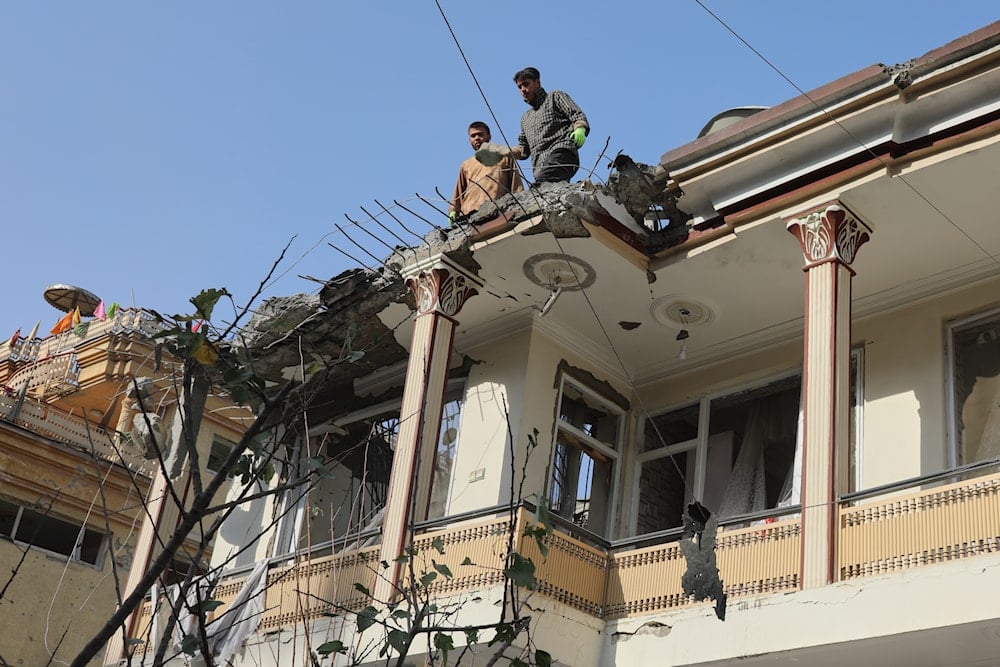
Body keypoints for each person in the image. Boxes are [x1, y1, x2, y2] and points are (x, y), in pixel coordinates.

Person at [509, 67, 589, 184]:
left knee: (540, 188)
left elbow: (577, 115)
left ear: (537, 83)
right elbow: (523, 148)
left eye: (526, 84)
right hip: (540, 167)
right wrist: (504, 153)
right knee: (546, 193)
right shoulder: (525, 118)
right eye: (519, 87)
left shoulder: (554, 97)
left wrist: (580, 128)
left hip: (562, 153)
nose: (523, 90)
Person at [448, 121, 523, 222]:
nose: (477, 138)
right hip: (470, 214)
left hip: (496, 209)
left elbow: (516, 185)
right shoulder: (466, 165)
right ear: (469, 139)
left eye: (480, 134)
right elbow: (459, 192)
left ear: (489, 136)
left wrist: (520, 202)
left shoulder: (504, 157)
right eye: (473, 136)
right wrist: (453, 210)